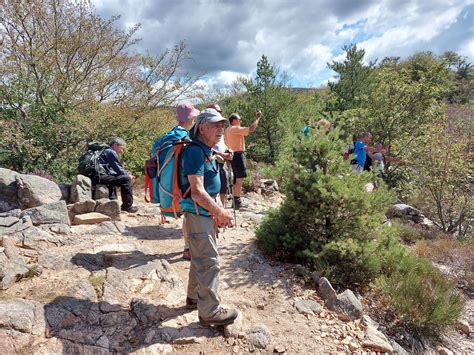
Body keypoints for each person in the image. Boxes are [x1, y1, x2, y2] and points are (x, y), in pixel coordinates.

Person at [179, 108, 238, 326]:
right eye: (215, 125)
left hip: (205, 213)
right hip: (198, 213)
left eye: (222, 125)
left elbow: (210, 189)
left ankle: (193, 297)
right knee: (209, 261)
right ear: (202, 127)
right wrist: (220, 212)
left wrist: (217, 208)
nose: (221, 129)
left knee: (200, 257)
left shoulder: (207, 150)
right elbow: (197, 191)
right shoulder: (195, 151)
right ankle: (210, 312)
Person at [152, 101, 199, 261]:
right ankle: (189, 249)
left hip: (169, 187)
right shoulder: (184, 138)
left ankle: (187, 247)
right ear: (190, 119)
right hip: (183, 185)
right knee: (190, 216)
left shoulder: (167, 136)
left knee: (187, 216)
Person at [224, 110, 262, 209]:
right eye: (239, 119)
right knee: (239, 178)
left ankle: (236, 200)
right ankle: (237, 201)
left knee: (237, 178)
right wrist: (257, 118)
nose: (240, 120)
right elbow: (251, 129)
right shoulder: (234, 128)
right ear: (233, 120)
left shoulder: (228, 129)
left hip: (233, 155)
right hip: (237, 155)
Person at [92, 137, 138, 213]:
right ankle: (127, 206)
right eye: (121, 148)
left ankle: (113, 200)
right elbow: (118, 168)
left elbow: (111, 170)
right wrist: (128, 175)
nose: (121, 151)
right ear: (115, 145)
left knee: (114, 177)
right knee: (126, 179)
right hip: (99, 177)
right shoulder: (110, 152)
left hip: (96, 176)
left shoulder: (103, 151)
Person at [207, 103, 234, 206]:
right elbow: (206, 147)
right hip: (212, 162)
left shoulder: (219, 126)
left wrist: (228, 149)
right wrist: (223, 155)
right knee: (214, 188)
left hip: (221, 161)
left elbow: (221, 144)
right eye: (217, 111)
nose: (218, 113)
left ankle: (221, 211)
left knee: (223, 186)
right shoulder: (206, 127)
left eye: (219, 112)